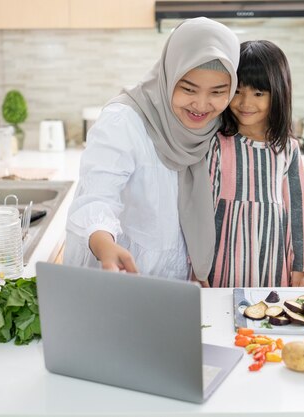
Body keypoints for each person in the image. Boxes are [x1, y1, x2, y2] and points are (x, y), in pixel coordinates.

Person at [64, 18, 240, 284]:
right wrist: (104, 244)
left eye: (218, 92)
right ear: (168, 75)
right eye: (188, 89)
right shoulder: (123, 120)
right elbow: (97, 196)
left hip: (174, 283)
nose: (202, 104)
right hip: (117, 278)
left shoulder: (214, 129)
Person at [206, 40, 304, 288]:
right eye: (238, 91)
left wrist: (300, 267)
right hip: (222, 263)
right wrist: (197, 267)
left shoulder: (288, 149)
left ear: (278, 93)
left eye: (258, 93)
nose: (245, 103)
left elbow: (298, 210)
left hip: (273, 260)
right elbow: (203, 211)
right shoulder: (218, 144)